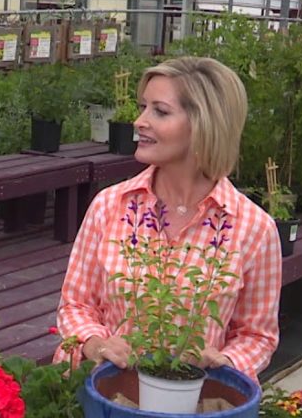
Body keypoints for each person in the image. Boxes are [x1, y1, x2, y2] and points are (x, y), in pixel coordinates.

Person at [55, 56, 281, 379]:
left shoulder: (254, 229)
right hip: (107, 397)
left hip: (194, 408)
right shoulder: (109, 206)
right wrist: (95, 343)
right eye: (143, 107)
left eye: (159, 111)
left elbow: (258, 336)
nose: (138, 121)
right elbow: (75, 305)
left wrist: (223, 361)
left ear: (204, 124)